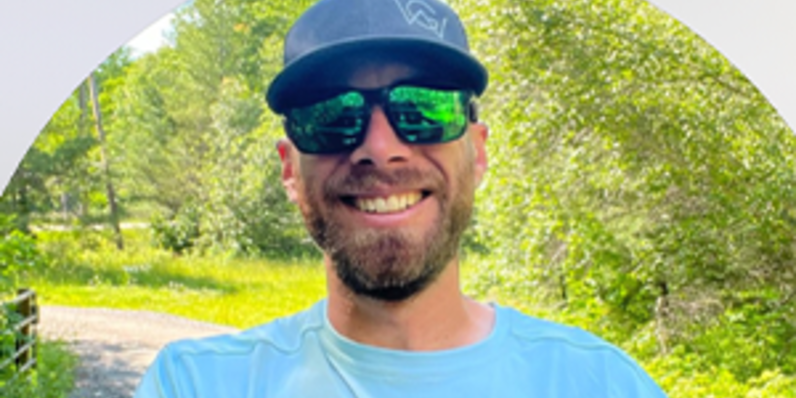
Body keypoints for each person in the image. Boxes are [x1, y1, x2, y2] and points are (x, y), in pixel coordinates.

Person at [134, 0, 668, 396]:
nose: (380, 147)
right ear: (289, 169)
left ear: (478, 153)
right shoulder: (196, 385)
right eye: (332, 115)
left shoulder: (600, 383)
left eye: (424, 107)